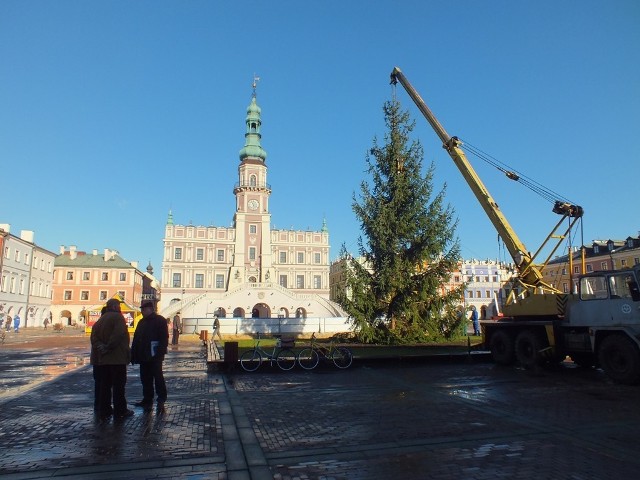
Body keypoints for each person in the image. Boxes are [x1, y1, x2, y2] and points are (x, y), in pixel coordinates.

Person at [90, 299, 133, 420]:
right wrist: (109, 347)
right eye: (119, 305)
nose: (120, 307)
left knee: (105, 385)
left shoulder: (101, 319)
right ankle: (120, 410)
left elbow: (94, 338)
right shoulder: (117, 318)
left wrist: (101, 347)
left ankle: (104, 409)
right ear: (114, 306)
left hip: (104, 360)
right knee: (119, 386)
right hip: (117, 358)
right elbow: (118, 335)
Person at [131, 302, 169, 412]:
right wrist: (134, 354)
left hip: (155, 355)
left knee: (158, 378)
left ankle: (161, 399)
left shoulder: (159, 320)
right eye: (142, 309)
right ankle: (147, 399)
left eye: (144, 309)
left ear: (151, 309)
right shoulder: (142, 322)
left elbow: (164, 338)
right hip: (143, 355)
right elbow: (136, 338)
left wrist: (160, 353)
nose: (142, 312)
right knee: (145, 379)